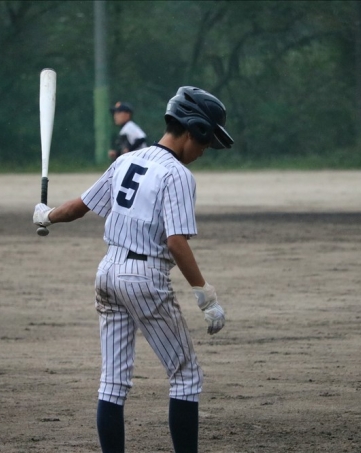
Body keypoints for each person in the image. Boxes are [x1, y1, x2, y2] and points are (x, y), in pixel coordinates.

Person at [33, 86, 234, 453]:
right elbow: (176, 242)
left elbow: (80, 206)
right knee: (186, 376)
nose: (206, 150)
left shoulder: (127, 161)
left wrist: (47, 215)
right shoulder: (177, 175)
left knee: (113, 383)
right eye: (207, 142)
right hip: (144, 279)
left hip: (107, 274)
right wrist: (206, 296)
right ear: (195, 129)